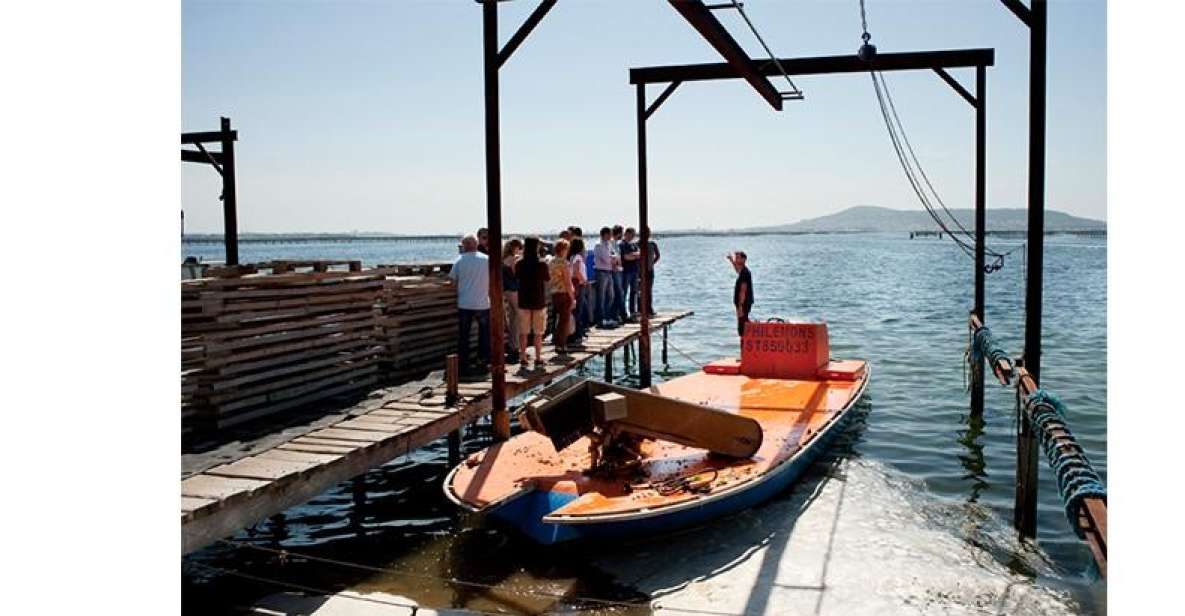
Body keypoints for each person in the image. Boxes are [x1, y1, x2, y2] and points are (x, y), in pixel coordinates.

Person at [449, 234, 490, 374]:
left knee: (464, 335)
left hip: (465, 303)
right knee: (484, 334)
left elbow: (452, 281)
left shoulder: (459, 260)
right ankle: (483, 361)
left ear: (465, 245)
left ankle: (463, 363)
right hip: (483, 302)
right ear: (476, 244)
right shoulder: (486, 259)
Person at [514, 237, 550, 368]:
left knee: (523, 332)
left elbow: (516, 276)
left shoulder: (519, 263)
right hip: (538, 300)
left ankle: (523, 357)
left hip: (523, 300)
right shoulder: (542, 264)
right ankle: (538, 358)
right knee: (538, 332)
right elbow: (547, 279)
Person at [548, 239, 574, 355]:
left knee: (558, 320)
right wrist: (572, 297)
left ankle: (557, 342)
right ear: (564, 250)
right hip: (564, 293)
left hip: (554, 293)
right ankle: (561, 345)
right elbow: (568, 282)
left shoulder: (551, 262)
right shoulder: (564, 263)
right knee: (564, 320)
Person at [501, 238, 523, 363]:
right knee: (518, 317)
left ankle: (513, 346)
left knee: (513, 318)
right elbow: (517, 274)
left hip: (505, 290)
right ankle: (515, 346)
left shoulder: (503, 259)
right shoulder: (514, 258)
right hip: (513, 289)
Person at [593, 227, 618, 328]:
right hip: (601, 272)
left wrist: (614, 258)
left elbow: (615, 255)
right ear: (604, 234)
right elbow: (606, 259)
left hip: (609, 272)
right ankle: (601, 319)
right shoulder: (598, 245)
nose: (611, 236)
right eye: (609, 234)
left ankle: (608, 317)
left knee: (611, 296)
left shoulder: (609, 244)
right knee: (601, 297)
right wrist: (614, 258)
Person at [727, 251, 754, 345]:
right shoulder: (742, 271)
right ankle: (746, 350)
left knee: (742, 327)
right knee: (744, 323)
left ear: (743, 259)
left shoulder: (745, 273)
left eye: (738, 258)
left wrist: (740, 306)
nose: (736, 260)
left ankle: (745, 350)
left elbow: (743, 290)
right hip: (742, 304)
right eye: (736, 258)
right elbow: (737, 269)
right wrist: (731, 261)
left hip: (743, 304)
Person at [568, 237, 588, 343]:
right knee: (578, 311)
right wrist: (584, 280)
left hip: (574, 284)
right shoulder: (578, 257)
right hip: (579, 285)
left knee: (576, 310)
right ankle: (577, 335)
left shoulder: (572, 257)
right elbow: (576, 271)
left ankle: (574, 334)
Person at [620, 227, 640, 321]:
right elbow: (626, 257)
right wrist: (635, 255)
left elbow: (639, 254)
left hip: (635, 271)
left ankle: (633, 312)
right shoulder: (622, 244)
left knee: (634, 292)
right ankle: (623, 313)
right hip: (626, 271)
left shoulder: (633, 244)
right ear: (627, 233)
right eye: (632, 234)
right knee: (624, 292)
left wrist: (634, 255)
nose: (633, 236)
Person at [610, 225, 628, 323]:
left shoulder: (616, 243)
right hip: (615, 271)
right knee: (619, 293)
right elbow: (613, 257)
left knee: (620, 293)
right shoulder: (612, 243)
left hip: (619, 270)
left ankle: (619, 315)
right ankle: (621, 315)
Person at [644, 231, 660, 316]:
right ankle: (645, 309)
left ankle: (648, 309)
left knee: (647, 291)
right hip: (643, 270)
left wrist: (652, 263)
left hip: (648, 270)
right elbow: (657, 256)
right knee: (643, 291)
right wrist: (651, 263)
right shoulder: (637, 244)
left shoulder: (652, 244)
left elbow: (658, 256)